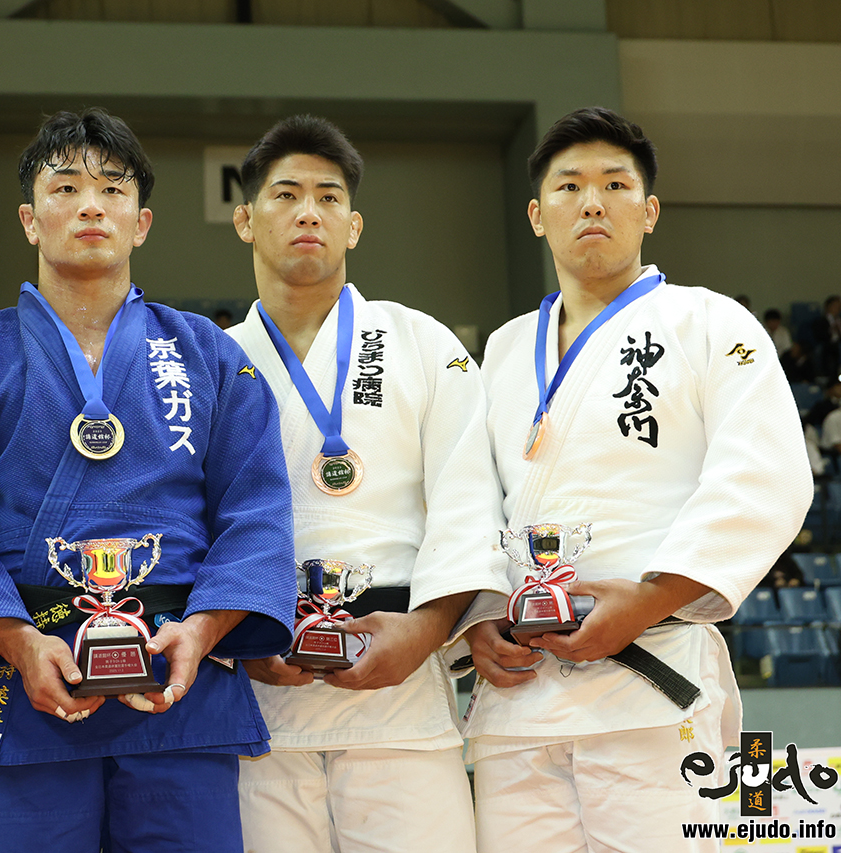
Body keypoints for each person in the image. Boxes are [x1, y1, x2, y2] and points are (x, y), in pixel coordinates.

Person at [0, 108, 297, 853]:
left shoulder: (206, 352)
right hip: (28, 683)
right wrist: (16, 640)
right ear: (28, 218)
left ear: (141, 222)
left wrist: (204, 629)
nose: (90, 204)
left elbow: (257, 506)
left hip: (182, 680)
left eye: (113, 189)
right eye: (66, 186)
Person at [458, 107, 812, 851]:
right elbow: (467, 499)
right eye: (570, 186)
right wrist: (476, 619)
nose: (592, 201)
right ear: (536, 214)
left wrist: (652, 597)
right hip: (517, 699)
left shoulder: (710, 324)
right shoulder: (501, 349)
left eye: (616, 185)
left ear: (648, 211)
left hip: (650, 684)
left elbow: (765, 474)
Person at [224, 115, 508, 852]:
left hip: (402, 693)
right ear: (245, 220)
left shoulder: (421, 341)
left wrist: (427, 628)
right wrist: (238, 635)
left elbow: (469, 494)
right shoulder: (211, 363)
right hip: (260, 697)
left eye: (328, 196)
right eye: (285, 195)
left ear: (354, 226)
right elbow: (187, 516)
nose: (308, 211)